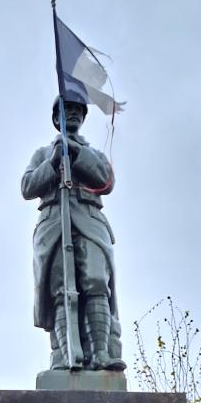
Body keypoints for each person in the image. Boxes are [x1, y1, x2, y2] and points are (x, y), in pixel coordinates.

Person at [21, 96, 126, 371]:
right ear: (57, 118)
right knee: (60, 289)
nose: (74, 114)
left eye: (79, 110)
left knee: (95, 280)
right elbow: (27, 186)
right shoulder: (43, 153)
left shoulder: (93, 154)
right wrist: (54, 162)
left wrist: (77, 155)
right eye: (67, 110)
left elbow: (106, 180)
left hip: (89, 220)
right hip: (54, 222)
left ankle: (101, 354)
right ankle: (67, 357)